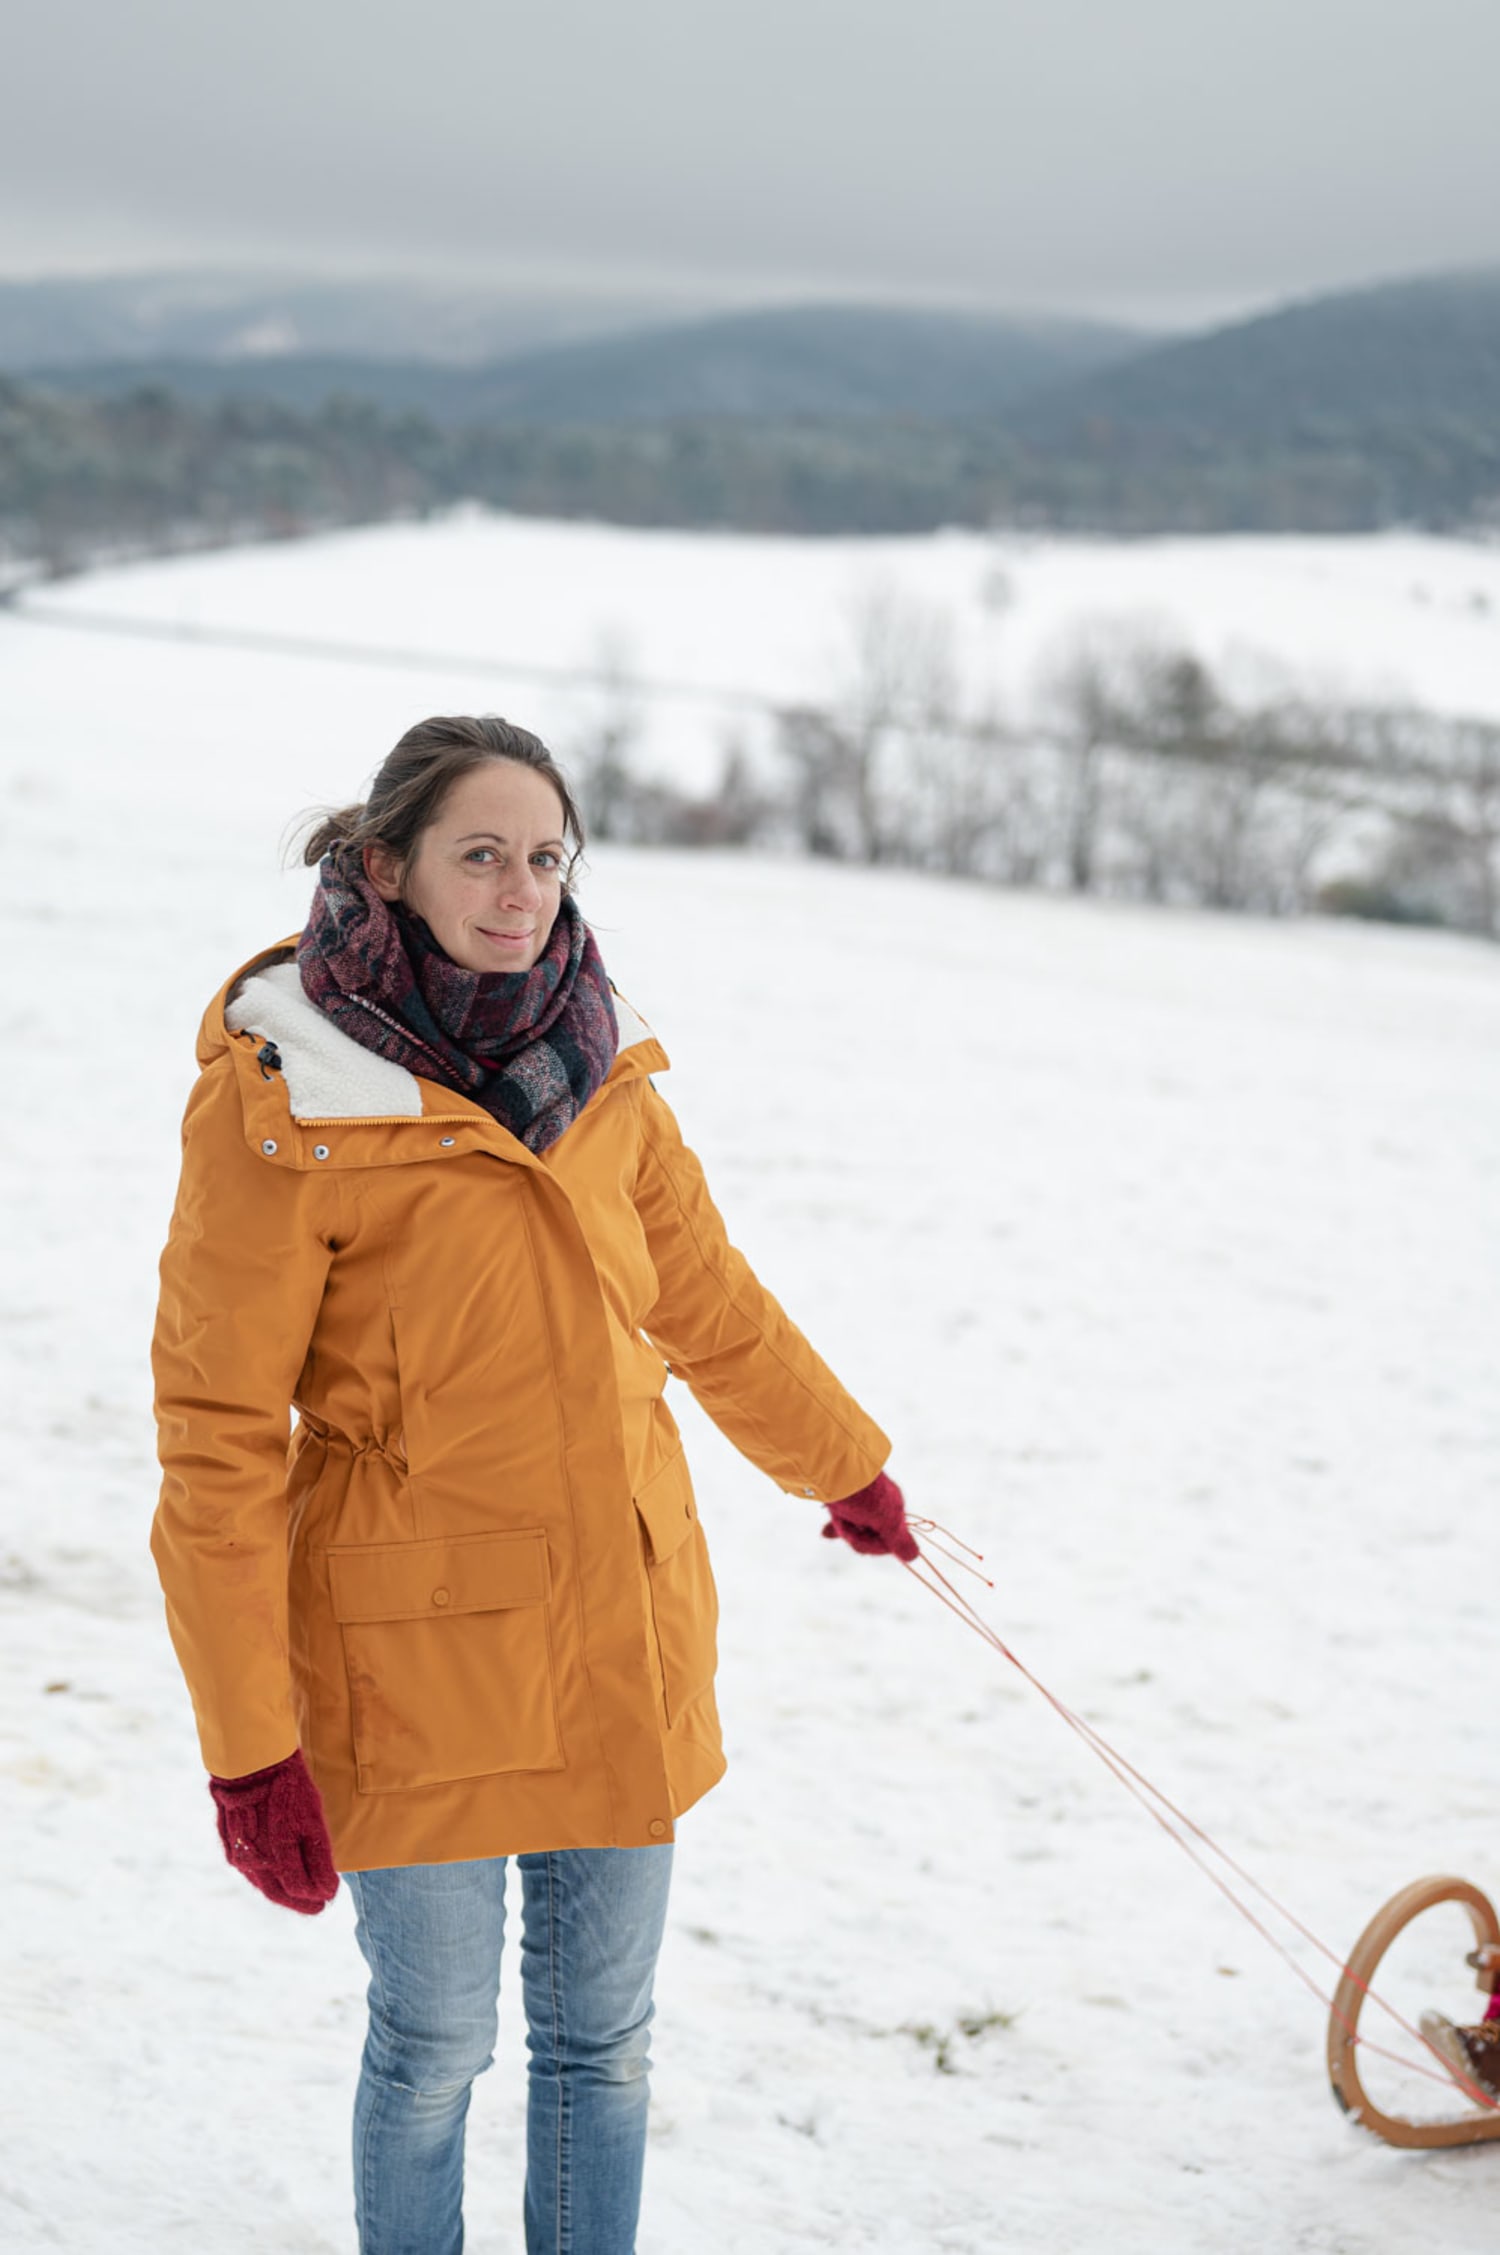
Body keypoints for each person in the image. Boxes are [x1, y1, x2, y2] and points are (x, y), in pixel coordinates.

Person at [150, 714, 915, 2255]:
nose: (519, 890)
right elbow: (216, 1435)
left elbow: (709, 1302)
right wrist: (249, 1747)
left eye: (547, 856)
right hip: (414, 1651)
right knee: (434, 2056)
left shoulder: (602, 1065)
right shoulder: (286, 1094)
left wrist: (845, 1466)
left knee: (603, 2051)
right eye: (480, 853)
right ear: (388, 866)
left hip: (618, 1623)